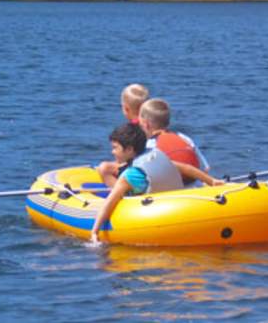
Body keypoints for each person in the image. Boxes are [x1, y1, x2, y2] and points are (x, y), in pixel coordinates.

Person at [90, 123, 223, 244]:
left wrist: (95, 231)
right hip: (172, 200)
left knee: (114, 178)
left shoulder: (128, 177)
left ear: (129, 149)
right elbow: (186, 168)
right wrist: (211, 181)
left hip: (144, 205)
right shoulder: (155, 156)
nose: (112, 152)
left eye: (115, 148)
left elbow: (110, 201)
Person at [138, 98, 213, 185]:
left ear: (145, 124)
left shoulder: (148, 146)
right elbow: (206, 169)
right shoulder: (184, 138)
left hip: (169, 193)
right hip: (195, 187)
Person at [97, 84, 149, 187]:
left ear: (125, 108)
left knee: (104, 168)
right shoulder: (152, 125)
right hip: (149, 166)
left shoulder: (131, 130)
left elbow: (124, 157)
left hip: (137, 170)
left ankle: (119, 194)